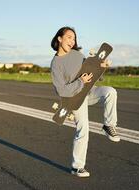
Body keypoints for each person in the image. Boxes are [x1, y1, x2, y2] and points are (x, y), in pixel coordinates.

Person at [50, 26, 120, 178]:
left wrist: (102, 68)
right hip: (75, 98)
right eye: (69, 37)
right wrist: (81, 82)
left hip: (89, 92)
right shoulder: (56, 64)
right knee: (83, 130)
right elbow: (61, 90)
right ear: (59, 39)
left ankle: (108, 125)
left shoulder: (77, 54)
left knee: (110, 92)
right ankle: (77, 167)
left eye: (74, 38)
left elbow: (92, 73)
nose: (72, 40)